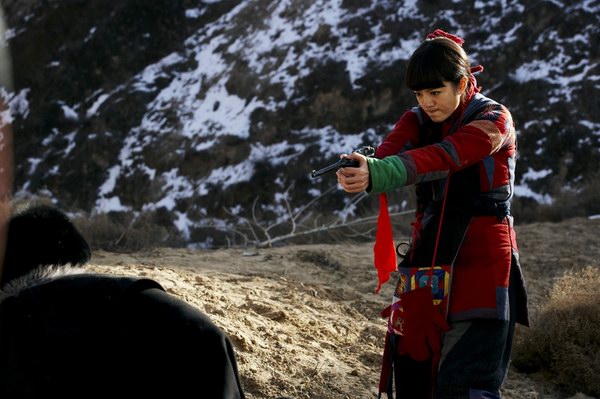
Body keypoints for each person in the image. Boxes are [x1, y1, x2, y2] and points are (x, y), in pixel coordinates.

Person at [336, 29, 529, 399]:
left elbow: (447, 156)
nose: (427, 102)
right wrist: (366, 166)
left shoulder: (495, 119)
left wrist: (381, 172)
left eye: (435, 92)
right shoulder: (417, 118)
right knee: (413, 373)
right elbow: (392, 150)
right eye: (419, 94)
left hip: (483, 258)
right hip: (428, 253)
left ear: (462, 82)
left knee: (465, 382)